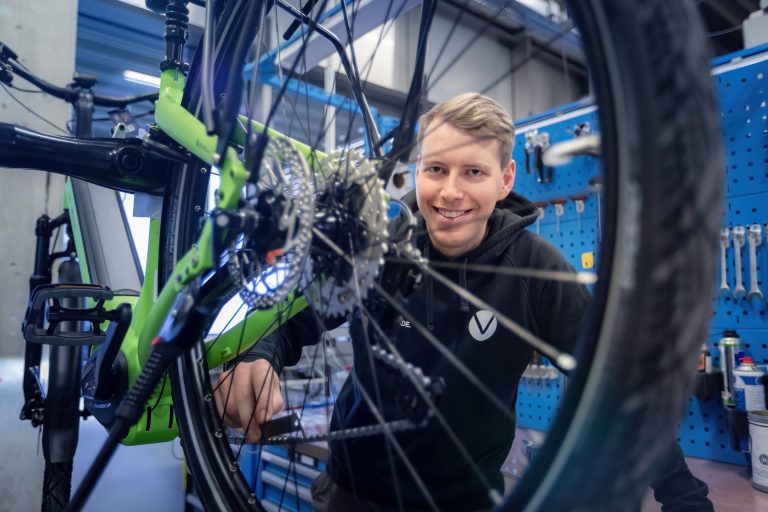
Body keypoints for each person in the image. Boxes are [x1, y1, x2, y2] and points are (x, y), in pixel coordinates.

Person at [214, 93, 713, 511]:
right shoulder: (378, 247)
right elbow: (294, 319)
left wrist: (684, 497)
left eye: (473, 171)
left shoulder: (536, 271)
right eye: (436, 169)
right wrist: (257, 356)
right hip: (352, 493)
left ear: (506, 178)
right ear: (417, 173)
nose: (449, 192)